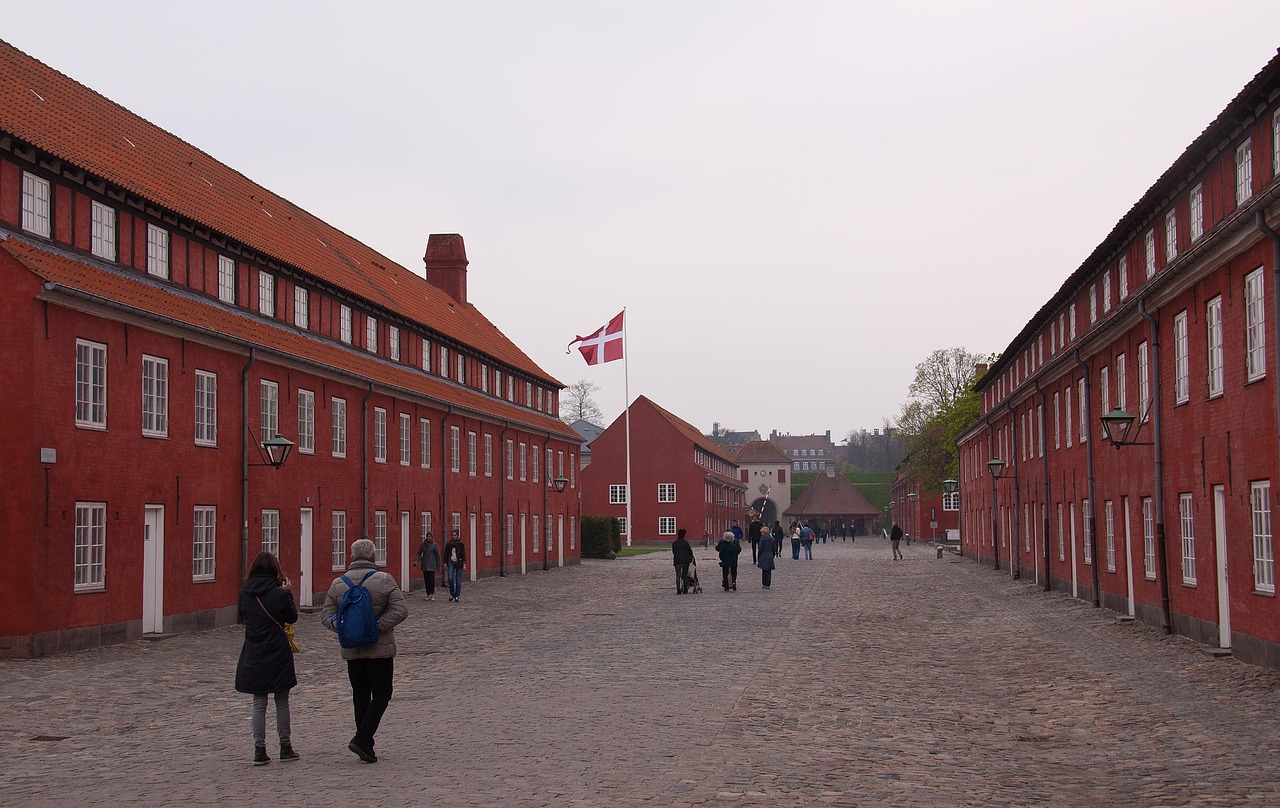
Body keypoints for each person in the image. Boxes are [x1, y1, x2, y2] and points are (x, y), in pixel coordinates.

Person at [321, 538, 409, 764]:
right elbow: (400, 610)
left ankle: (365, 744)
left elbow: (326, 617)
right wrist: (376, 627)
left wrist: (346, 629)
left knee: (360, 694)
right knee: (381, 693)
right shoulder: (384, 579)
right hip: (379, 648)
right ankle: (362, 739)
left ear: (352, 556)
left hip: (353, 648)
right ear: (372, 555)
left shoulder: (338, 584)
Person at [235, 551, 299, 766]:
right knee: (282, 700)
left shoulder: (246, 592)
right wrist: (287, 593)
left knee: (258, 702)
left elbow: (243, 617)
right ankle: (285, 746)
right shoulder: (279, 594)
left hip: (254, 649)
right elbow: (292, 617)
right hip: (277, 650)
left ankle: (259, 748)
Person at [413, 530, 441, 601]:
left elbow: (437, 555)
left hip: (432, 565)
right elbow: (419, 553)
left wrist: (438, 565)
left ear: (432, 537)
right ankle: (428, 593)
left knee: (431, 579)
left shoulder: (434, 545)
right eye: (428, 536)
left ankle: (432, 593)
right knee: (426, 580)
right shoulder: (423, 545)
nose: (429, 538)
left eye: (430, 536)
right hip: (425, 564)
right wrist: (416, 560)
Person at [444, 529, 466, 602]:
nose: (453, 536)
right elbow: (446, 554)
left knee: (458, 580)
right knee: (450, 578)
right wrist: (445, 563)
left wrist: (464, 563)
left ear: (457, 536)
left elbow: (463, 554)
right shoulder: (449, 544)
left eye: (455, 535)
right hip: (451, 562)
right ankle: (452, 593)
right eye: (452, 535)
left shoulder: (461, 544)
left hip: (459, 563)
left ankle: (457, 595)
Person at [672, 527, 695, 594]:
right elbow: (690, 551)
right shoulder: (686, 543)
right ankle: (685, 589)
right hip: (685, 560)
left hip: (677, 561)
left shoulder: (674, 543)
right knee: (685, 575)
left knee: (678, 575)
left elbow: (674, 552)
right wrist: (691, 557)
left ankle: (678, 589)